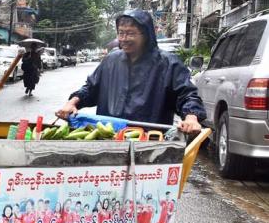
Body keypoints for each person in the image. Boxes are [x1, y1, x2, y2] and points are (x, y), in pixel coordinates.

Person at [55, 9, 205, 131]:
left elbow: (186, 95)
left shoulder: (168, 63)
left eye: (131, 33)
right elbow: (91, 88)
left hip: (149, 140)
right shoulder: (110, 61)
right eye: (121, 33)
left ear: (146, 35)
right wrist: (72, 102)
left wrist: (191, 117)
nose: (124, 38)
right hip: (110, 136)